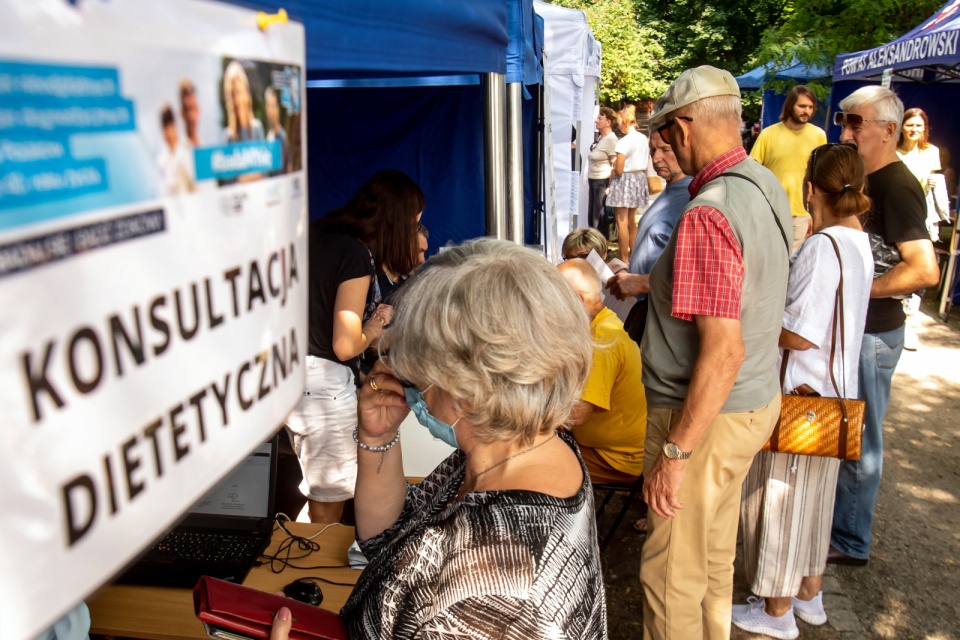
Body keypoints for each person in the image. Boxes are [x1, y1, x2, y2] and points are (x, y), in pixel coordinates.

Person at [326, 239, 606, 638]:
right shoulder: (511, 448)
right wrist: (379, 438)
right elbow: (389, 542)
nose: (399, 380)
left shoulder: (494, 596)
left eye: (415, 375)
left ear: (465, 390)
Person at [639, 65, 791, 640]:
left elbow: (721, 349)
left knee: (671, 568)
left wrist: (676, 454)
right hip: (750, 402)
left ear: (683, 127)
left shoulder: (708, 209)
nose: (666, 147)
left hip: (702, 414)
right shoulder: (764, 182)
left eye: (665, 134)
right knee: (709, 556)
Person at [732, 143, 874, 640]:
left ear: (810, 189)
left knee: (779, 501)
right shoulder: (858, 242)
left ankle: (775, 610)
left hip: (801, 392)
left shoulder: (822, 245)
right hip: (834, 393)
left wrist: (753, 314)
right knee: (813, 504)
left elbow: (800, 332)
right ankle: (809, 594)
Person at [830, 87, 939, 565]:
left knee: (861, 439)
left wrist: (858, 287)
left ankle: (851, 541)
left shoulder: (896, 184)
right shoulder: (866, 181)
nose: (845, 131)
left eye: (855, 123)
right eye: (843, 121)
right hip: (857, 331)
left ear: (888, 131)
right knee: (845, 433)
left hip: (874, 334)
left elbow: (924, 270)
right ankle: (841, 530)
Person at [284, 169, 423, 524]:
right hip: (325, 384)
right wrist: (376, 325)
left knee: (320, 493)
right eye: (413, 224)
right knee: (331, 503)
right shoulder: (355, 253)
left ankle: (303, 565)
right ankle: (316, 579)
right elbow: (346, 345)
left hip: (288, 376)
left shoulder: (313, 237)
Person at [558, 259, 646, 486]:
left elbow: (577, 415)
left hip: (613, 459)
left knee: (523, 461)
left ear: (576, 299)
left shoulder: (603, 340)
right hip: (603, 450)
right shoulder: (603, 322)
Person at [607, 128, 692, 345]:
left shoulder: (693, 199)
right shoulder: (673, 190)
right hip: (646, 317)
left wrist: (642, 283)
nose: (656, 158)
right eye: (652, 149)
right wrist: (628, 272)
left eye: (666, 149)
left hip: (664, 327)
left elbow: (700, 278)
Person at [750, 85, 827, 253]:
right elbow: (752, 172)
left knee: (792, 265)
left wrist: (817, 215)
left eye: (810, 107)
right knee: (768, 258)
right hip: (771, 211)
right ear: (791, 105)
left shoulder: (818, 135)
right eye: (802, 106)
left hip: (802, 214)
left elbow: (822, 177)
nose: (807, 111)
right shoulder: (768, 135)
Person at [607, 104, 650, 262]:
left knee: (622, 221)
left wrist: (613, 167)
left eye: (619, 122)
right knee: (632, 221)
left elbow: (619, 169)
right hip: (639, 178)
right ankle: (634, 254)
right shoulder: (643, 138)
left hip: (625, 180)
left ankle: (624, 257)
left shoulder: (624, 142)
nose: (618, 126)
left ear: (624, 122)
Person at [588, 106, 620, 228]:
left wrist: (610, 186)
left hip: (602, 181)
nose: (596, 121)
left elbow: (615, 164)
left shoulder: (611, 140)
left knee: (599, 215)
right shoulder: (600, 139)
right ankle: (595, 243)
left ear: (608, 122)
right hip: (593, 180)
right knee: (593, 215)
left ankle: (600, 243)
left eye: (600, 118)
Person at [221, 60, 264, 143]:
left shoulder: (257, 128)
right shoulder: (228, 137)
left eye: (240, 92)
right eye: (234, 94)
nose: (238, 99)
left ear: (246, 93)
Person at [157, 104, 195, 196]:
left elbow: (193, 183)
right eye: (165, 127)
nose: (168, 131)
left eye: (170, 125)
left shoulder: (187, 149)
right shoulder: (161, 159)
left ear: (175, 126)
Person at [562, 227, 627, 273]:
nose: (577, 262)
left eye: (583, 256)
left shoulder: (617, 274)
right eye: (571, 258)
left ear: (603, 254)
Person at [265, 86, 290, 175]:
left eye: (274, 106)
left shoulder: (282, 137)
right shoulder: (268, 136)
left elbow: (288, 167)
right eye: (269, 106)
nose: (272, 111)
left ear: (278, 109)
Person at [179, 78, 202, 148]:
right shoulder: (179, 149)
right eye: (187, 110)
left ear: (199, 110)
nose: (191, 116)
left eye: (194, 109)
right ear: (181, 114)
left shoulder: (203, 146)